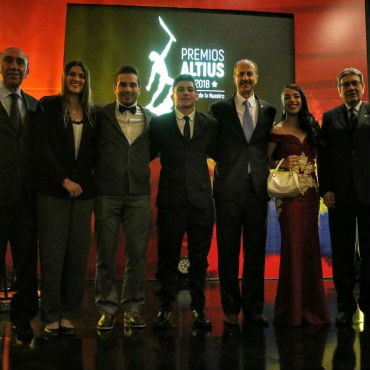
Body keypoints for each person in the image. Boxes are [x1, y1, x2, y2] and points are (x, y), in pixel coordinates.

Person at [210, 59, 276, 327]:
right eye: (241, 75)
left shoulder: (270, 110)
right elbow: (212, 145)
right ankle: (229, 309)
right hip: (227, 190)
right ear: (233, 78)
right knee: (227, 251)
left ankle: (253, 308)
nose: (246, 78)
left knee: (255, 251)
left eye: (250, 73)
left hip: (257, 191)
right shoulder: (219, 109)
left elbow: (267, 147)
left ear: (257, 77)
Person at [150, 74, 217, 331]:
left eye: (190, 89)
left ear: (197, 95)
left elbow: (222, 154)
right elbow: (144, 154)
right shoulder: (160, 124)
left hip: (201, 202)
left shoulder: (210, 124)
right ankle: (164, 309)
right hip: (170, 201)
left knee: (200, 260)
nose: (186, 93)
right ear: (173, 95)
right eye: (181, 89)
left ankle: (199, 310)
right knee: (167, 259)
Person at [37, 61, 97, 336]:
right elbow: (43, 149)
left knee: (76, 256)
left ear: (86, 81)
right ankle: (50, 313)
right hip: (53, 193)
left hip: (84, 197)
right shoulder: (48, 106)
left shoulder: (92, 113)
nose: (76, 79)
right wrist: (64, 180)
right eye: (72, 75)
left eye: (81, 76)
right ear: (64, 78)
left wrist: (82, 183)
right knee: (52, 255)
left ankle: (69, 313)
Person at [94, 65, 153, 331]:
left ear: (140, 88)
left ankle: (132, 309)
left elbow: (150, 152)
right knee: (105, 254)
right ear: (114, 88)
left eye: (132, 85)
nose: (128, 89)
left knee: (137, 255)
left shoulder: (151, 119)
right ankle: (106, 309)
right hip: (107, 193)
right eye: (123, 85)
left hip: (139, 194)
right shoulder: (100, 115)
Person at [268, 84, 330, 326]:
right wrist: (282, 162)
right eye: (287, 97)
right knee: (293, 248)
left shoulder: (312, 127)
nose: (292, 100)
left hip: (311, 196)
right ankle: (291, 312)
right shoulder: (276, 129)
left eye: (296, 96)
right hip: (290, 198)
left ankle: (312, 309)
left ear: (302, 100)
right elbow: (267, 160)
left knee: (310, 248)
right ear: (282, 102)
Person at [318, 68, 369, 327]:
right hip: (339, 195)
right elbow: (324, 158)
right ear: (339, 90)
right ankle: (345, 304)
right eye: (345, 84)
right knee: (342, 252)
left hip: (368, 193)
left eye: (354, 84)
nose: (350, 88)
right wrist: (325, 188)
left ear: (363, 87)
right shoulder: (329, 117)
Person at [0, 47, 39, 341]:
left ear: (27, 70)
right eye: (8, 61)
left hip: (27, 201)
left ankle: (22, 321)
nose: (14, 66)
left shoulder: (36, 107)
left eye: (20, 62)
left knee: (26, 265)